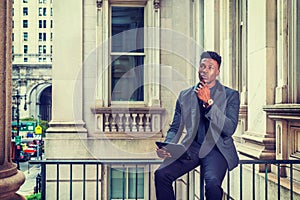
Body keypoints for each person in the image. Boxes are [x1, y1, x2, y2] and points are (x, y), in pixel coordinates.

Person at [155, 51, 240, 200]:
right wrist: (167, 146)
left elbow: (230, 128)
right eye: (202, 66)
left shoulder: (231, 95)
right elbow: (175, 127)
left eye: (210, 67)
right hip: (192, 148)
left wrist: (208, 103)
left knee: (213, 184)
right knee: (161, 175)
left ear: (218, 72)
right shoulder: (184, 95)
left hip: (217, 149)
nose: (205, 70)